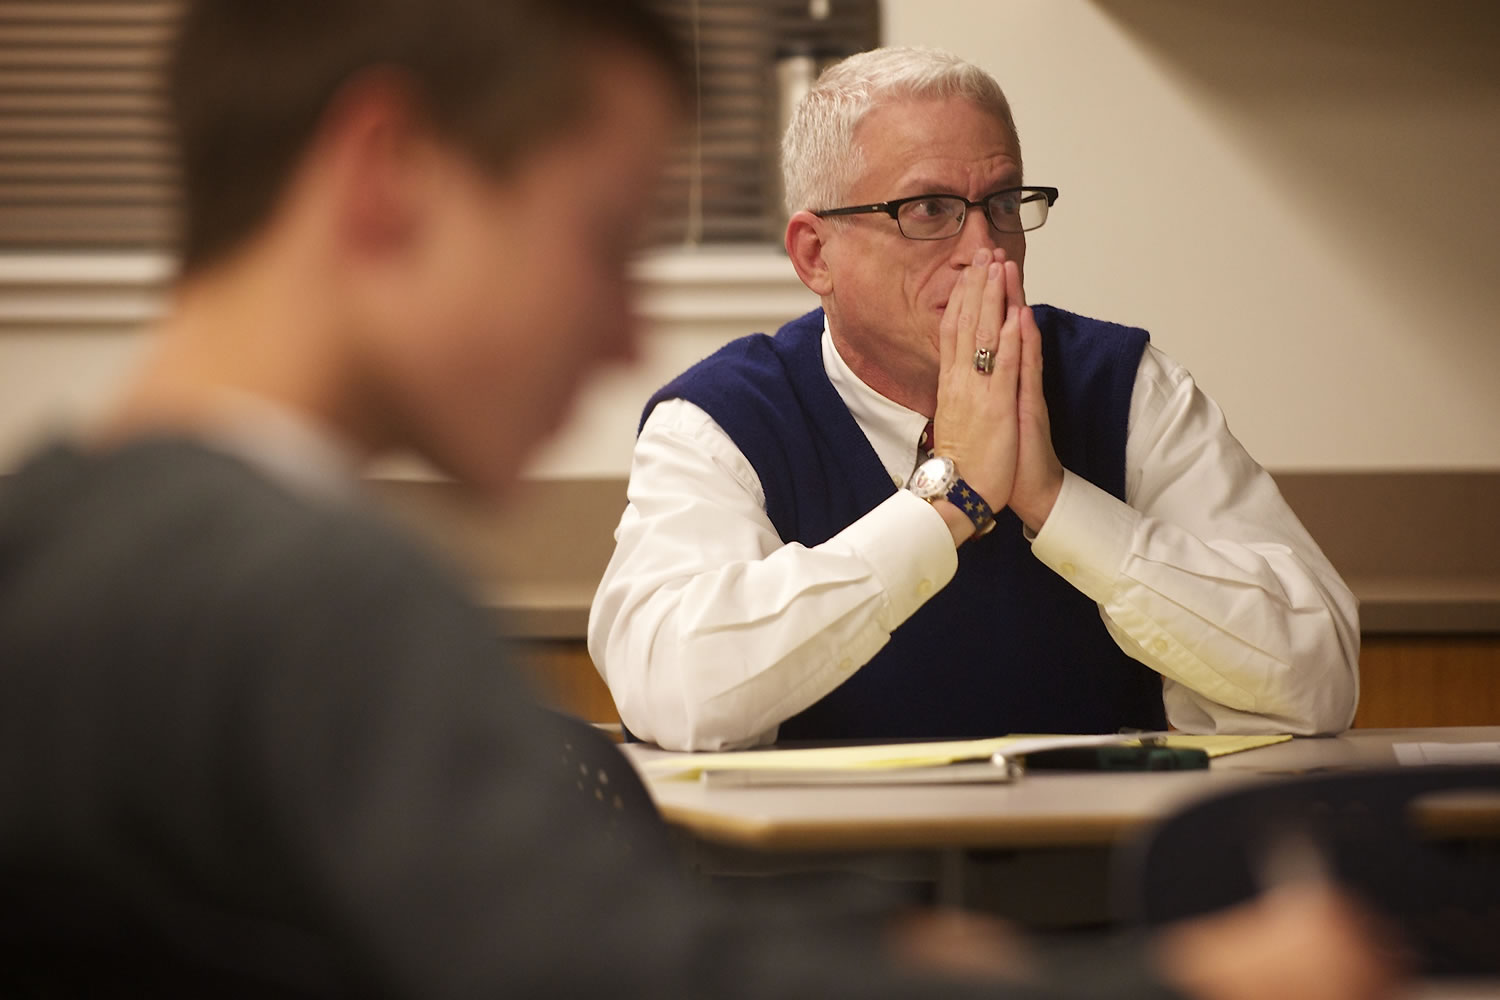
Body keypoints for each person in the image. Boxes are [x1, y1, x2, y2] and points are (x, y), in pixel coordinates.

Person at [0, 4, 1399, 998]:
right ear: (388, 176)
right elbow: (625, 973)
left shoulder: (51, 549)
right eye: (602, 240)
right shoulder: (317, 601)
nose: (624, 334)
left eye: (1002, 208)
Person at [589, 46, 1361, 751]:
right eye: (927, 210)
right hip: (817, 889)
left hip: (1097, 881)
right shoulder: (718, 420)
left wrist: (1055, 500)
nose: (986, 250)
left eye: (1001, 204)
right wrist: (947, 502)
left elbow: (1318, 678)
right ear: (815, 254)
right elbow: (675, 692)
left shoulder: (1123, 386)